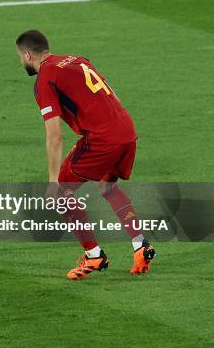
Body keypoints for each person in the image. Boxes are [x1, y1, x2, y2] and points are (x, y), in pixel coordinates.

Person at [15, 29, 156, 280]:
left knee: (61, 193)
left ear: (27, 54)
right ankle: (140, 245)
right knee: (108, 186)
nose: (21, 62)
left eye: (20, 57)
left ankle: (94, 256)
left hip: (103, 139)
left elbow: (55, 136)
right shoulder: (77, 59)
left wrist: (52, 182)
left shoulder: (45, 78)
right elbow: (112, 93)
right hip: (126, 129)